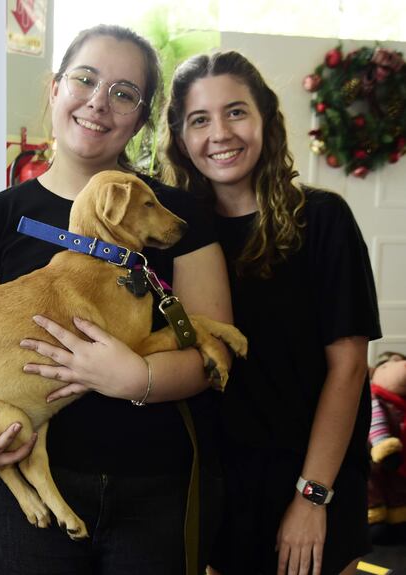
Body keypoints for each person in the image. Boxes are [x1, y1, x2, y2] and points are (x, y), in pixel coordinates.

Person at [0, 24, 233, 574]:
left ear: (141, 119)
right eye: (85, 79)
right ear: (54, 89)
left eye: (124, 93)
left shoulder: (177, 219)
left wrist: (135, 379)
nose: (99, 102)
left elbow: (213, 355)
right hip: (13, 497)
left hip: (155, 490)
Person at [163, 51, 381, 575]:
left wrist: (311, 498)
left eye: (236, 112)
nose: (220, 133)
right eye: (200, 119)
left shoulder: (323, 219)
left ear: (264, 118)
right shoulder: (173, 235)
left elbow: (348, 368)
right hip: (215, 480)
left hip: (310, 473)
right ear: (181, 136)